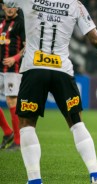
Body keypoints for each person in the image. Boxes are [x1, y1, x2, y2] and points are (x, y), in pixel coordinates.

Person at [1, 0, 97, 184]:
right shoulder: (75, 4)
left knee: (27, 125)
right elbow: (96, 39)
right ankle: (95, 176)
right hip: (62, 71)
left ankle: (35, 180)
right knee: (76, 123)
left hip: (34, 69)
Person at [0, 5, 25, 150]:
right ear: (3, 6)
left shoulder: (21, 23)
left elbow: (27, 46)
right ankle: (7, 132)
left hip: (13, 69)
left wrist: (15, 58)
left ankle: (18, 140)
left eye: (13, 6)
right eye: (7, 6)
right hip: (0, 68)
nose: (10, 9)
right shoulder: (2, 22)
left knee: (11, 100)